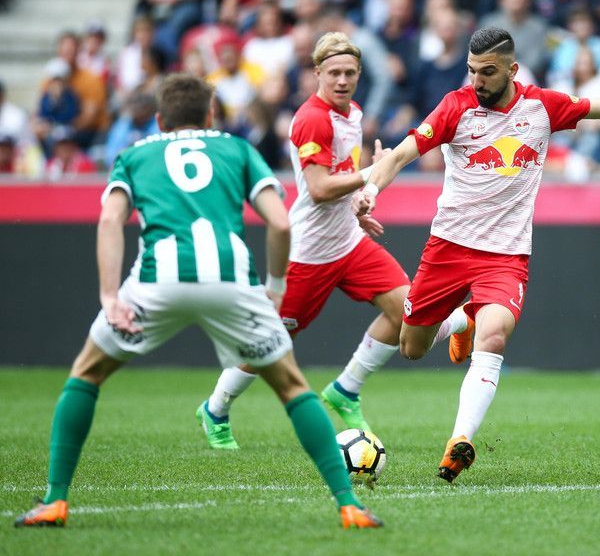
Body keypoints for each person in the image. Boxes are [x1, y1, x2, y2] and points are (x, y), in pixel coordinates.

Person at [351, 27, 600, 483]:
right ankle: (462, 321)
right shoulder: (454, 106)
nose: (477, 81)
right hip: (448, 248)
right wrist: (370, 191)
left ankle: (459, 440)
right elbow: (398, 156)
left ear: (512, 70)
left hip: (505, 255)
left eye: (487, 72)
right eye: (472, 70)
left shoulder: (541, 106)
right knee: (412, 348)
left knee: (495, 338)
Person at [13, 74, 381, 529]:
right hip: (230, 280)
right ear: (210, 115)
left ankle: (55, 501)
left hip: (157, 280)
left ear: (159, 120)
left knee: (86, 374)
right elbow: (281, 223)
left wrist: (109, 296)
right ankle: (349, 505)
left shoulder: (134, 154)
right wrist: (275, 287)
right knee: (291, 387)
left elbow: (109, 221)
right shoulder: (237, 149)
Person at [196, 32, 457, 449]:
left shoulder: (353, 113)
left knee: (405, 310)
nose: (342, 80)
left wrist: (358, 202)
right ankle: (215, 407)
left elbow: (340, 177)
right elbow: (318, 189)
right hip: (309, 253)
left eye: (350, 73)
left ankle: (346, 389)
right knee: (271, 343)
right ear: (317, 73)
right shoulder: (312, 119)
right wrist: (373, 172)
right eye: (334, 72)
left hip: (349, 242)